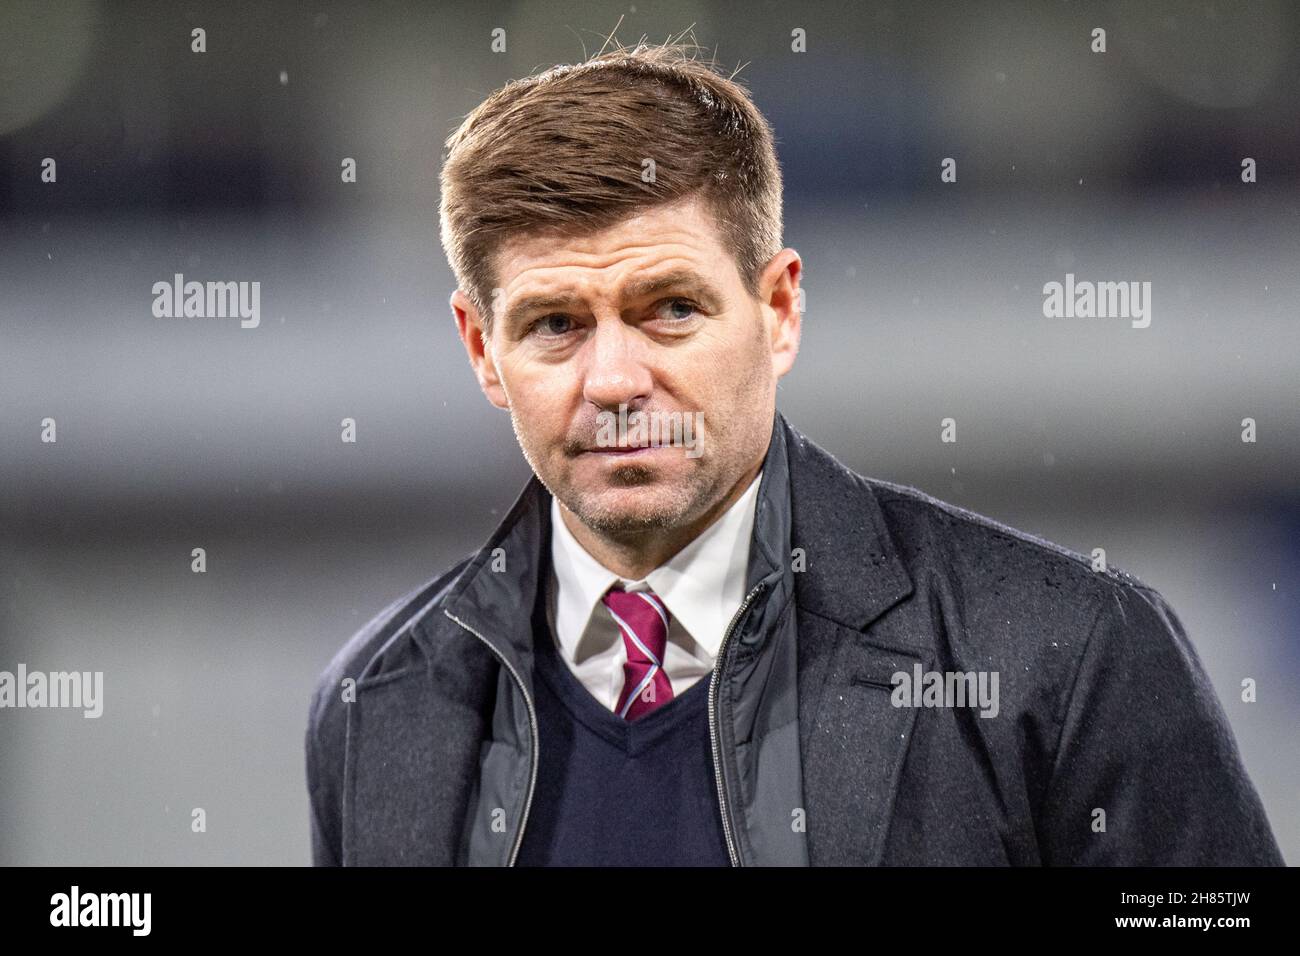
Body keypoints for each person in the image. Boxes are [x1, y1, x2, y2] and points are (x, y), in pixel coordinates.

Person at [305, 40, 1284, 866]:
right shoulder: (380, 701)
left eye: (671, 309)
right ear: (482, 348)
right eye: (556, 323)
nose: (612, 378)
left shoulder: (1068, 657)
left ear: (777, 309)